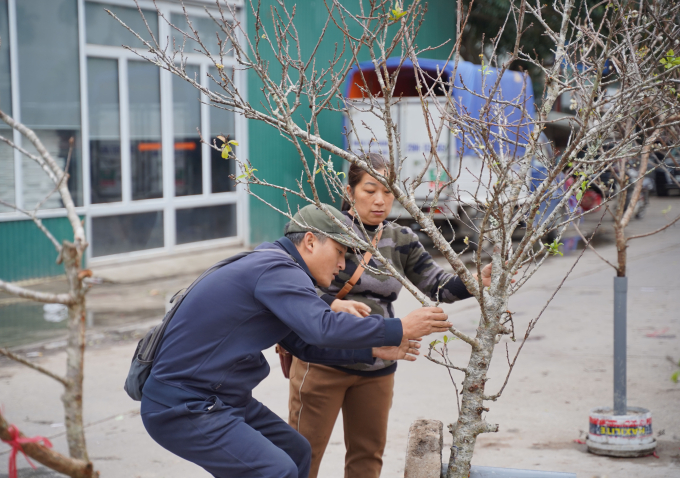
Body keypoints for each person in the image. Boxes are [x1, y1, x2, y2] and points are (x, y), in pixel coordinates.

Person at [139, 204, 452, 478]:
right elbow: (321, 327)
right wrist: (398, 328)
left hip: (222, 400)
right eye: (340, 252)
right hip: (184, 405)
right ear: (311, 241)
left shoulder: (276, 267)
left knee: (296, 452)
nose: (343, 265)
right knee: (275, 471)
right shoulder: (275, 269)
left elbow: (303, 344)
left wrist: (371, 348)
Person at [288, 154, 490, 478]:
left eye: (389, 190)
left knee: (368, 459)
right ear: (350, 190)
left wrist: (476, 282)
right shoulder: (328, 230)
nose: (380, 200)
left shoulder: (401, 240)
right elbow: (291, 287)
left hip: (377, 366)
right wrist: (329, 302)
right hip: (322, 361)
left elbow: (439, 288)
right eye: (370, 190)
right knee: (301, 455)